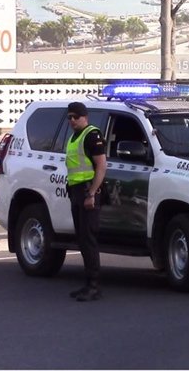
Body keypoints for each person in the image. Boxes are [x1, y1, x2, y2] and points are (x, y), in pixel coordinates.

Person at [65, 101, 106, 302]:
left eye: (75, 116)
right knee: (82, 239)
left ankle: (94, 286)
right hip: (76, 192)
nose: (72, 120)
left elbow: (101, 166)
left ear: (85, 117)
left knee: (89, 240)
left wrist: (92, 194)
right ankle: (87, 283)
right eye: (69, 117)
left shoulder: (92, 135)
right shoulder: (74, 137)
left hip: (88, 192)